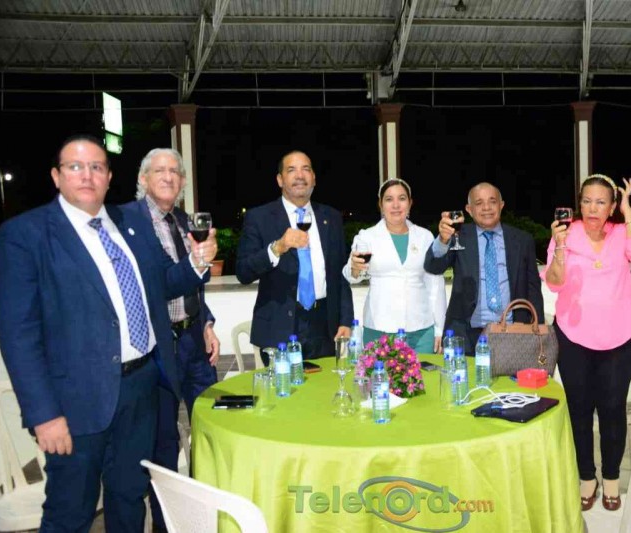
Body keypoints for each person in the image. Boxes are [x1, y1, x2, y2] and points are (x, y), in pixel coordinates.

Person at [0, 134, 217, 532]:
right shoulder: (25, 234)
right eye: (75, 166)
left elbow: (161, 285)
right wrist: (44, 415)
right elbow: (18, 335)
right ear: (56, 176)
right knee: (70, 512)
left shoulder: (129, 224)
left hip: (141, 388)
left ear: (109, 177)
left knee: (129, 497)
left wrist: (197, 263)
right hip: (76, 402)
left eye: (96, 167)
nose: (87, 175)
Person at [542, 174, 631, 512]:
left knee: (612, 410)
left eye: (601, 202)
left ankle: (611, 479)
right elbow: (554, 283)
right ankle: (586, 478)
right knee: (579, 410)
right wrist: (559, 247)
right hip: (573, 337)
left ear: (611, 207)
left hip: (618, 339)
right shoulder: (566, 234)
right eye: (587, 201)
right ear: (579, 204)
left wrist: (628, 208)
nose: (593, 208)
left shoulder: (621, 233)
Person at [125, 147, 220, 532]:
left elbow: (196, 285)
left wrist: (207, 322)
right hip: (159, 350)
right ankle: (168, 525)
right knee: (163, 443)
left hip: (195, 342)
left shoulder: (183, 220)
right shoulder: (128, 220)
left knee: (212, 429)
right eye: (159, 170)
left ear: (182, 182)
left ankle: (206, 514)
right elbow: (161, 283)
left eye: (175, 172)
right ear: (143, 178)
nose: (169, 177)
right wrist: (198, 262)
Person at [236, 150, 353, 359]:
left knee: (324, 381)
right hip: (278, 328)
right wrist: (277, 248)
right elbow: (243, 272)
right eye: (291, 170)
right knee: (282, 382)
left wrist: (345, 320)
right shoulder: (260, 217)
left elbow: (340, 274)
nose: (300, 175)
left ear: (314, 178)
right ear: (280, 180)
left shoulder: (331, 217)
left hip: (324, 328)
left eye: (306, 169)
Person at [423, 182, 544, 354]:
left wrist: (538, 334)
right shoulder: (458, 237)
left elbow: (533, 290)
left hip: (512, 332)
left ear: (501, 205)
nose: (486, 208)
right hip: (465, 335)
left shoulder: (522, 240)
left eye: (492, 201)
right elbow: (433, 266)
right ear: (469, 209)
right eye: (479, 203)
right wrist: (443, 240)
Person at [342, 178, 446, 354]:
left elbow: (435, 284)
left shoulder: (425, 236)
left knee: (424, 373)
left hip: (421, 331)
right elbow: (351, 275)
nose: (396, 205)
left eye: (402, 198)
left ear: (410, 203)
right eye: (389, 199)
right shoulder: (367, 236)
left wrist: (439, 328)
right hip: (379, 329)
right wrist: (354, 268)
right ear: (381, 205)